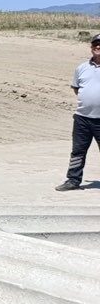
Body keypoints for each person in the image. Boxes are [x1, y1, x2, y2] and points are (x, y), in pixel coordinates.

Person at [56, 33, 100, 191]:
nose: (98, 47)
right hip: (82, 118)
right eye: (96, 44)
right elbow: (77, 89)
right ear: (91, 47)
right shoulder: (81, 68)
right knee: (78, 151)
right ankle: (73, 180)